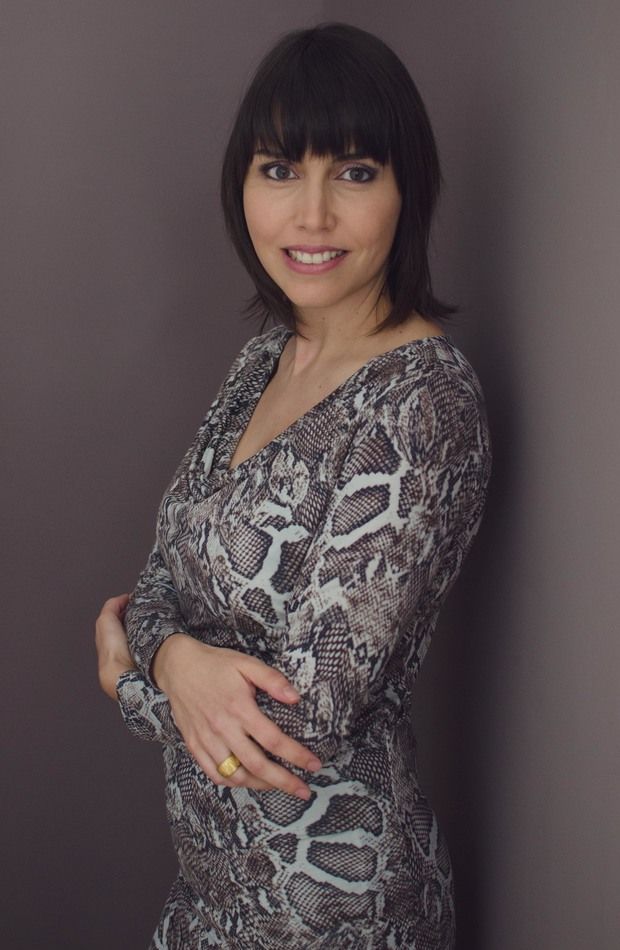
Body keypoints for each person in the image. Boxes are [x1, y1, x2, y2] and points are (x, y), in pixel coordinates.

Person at [95, 21, 492, 949]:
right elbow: (160, 577)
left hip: (338, 908)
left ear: (408, 190)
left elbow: (302, 720)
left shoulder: (422, 402)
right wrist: (172, 658)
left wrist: (128, 679)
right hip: (212, 892)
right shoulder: (266, 358)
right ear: (242, 187)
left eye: (354, 172)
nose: (311, 215)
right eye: (279, 170)